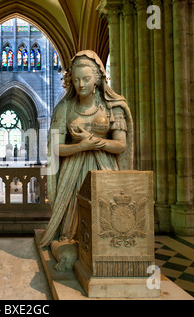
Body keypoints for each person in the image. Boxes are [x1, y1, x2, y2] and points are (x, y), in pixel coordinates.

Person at [39, 50, 133, 248]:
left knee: (107, 221)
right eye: (76, 80)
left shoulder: (112, 108)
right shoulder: (64, 108)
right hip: (72, 173)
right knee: (71, 229)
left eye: (86, 79)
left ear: (98, 80)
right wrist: (81, 146)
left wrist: (92, 143)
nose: (81, 85)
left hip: (104, 169)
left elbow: (121, 145)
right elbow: (54, 148)